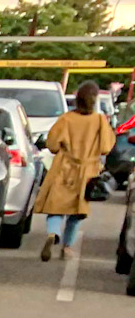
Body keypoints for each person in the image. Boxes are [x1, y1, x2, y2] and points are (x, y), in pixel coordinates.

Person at [33, 80, 112, 260]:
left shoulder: (66, 119)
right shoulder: (99, 120)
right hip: (87, 170)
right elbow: (106, 147)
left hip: (64, 167)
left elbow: (52, 145)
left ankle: (53, 233)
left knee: (56, 208)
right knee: (77, 212)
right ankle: (67, 247)